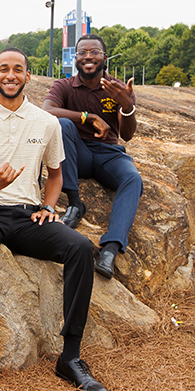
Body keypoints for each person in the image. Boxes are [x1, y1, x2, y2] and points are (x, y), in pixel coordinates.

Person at [0, 48, 108, 391]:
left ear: (27, 76)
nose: (10, 75)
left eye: (17, 69)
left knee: (80, 248)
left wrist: (49, 205)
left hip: (26, 215)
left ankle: (71, 357)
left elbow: (55, 173)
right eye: (3, 69)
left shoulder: (46, 123)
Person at [41, 33, 142, 279]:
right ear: (75, 58)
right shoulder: (63, 86)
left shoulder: (117, 88)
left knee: (133, 180)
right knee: (62, 124)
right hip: (78, 155)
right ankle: (76, 203)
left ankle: (110, 249)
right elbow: (46, 111)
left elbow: (127, 135)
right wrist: (87, 117)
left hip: (109, 155)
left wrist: (126, 106)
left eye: (95, 52)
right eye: (82, 52)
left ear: (104, 58)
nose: (88, 57)